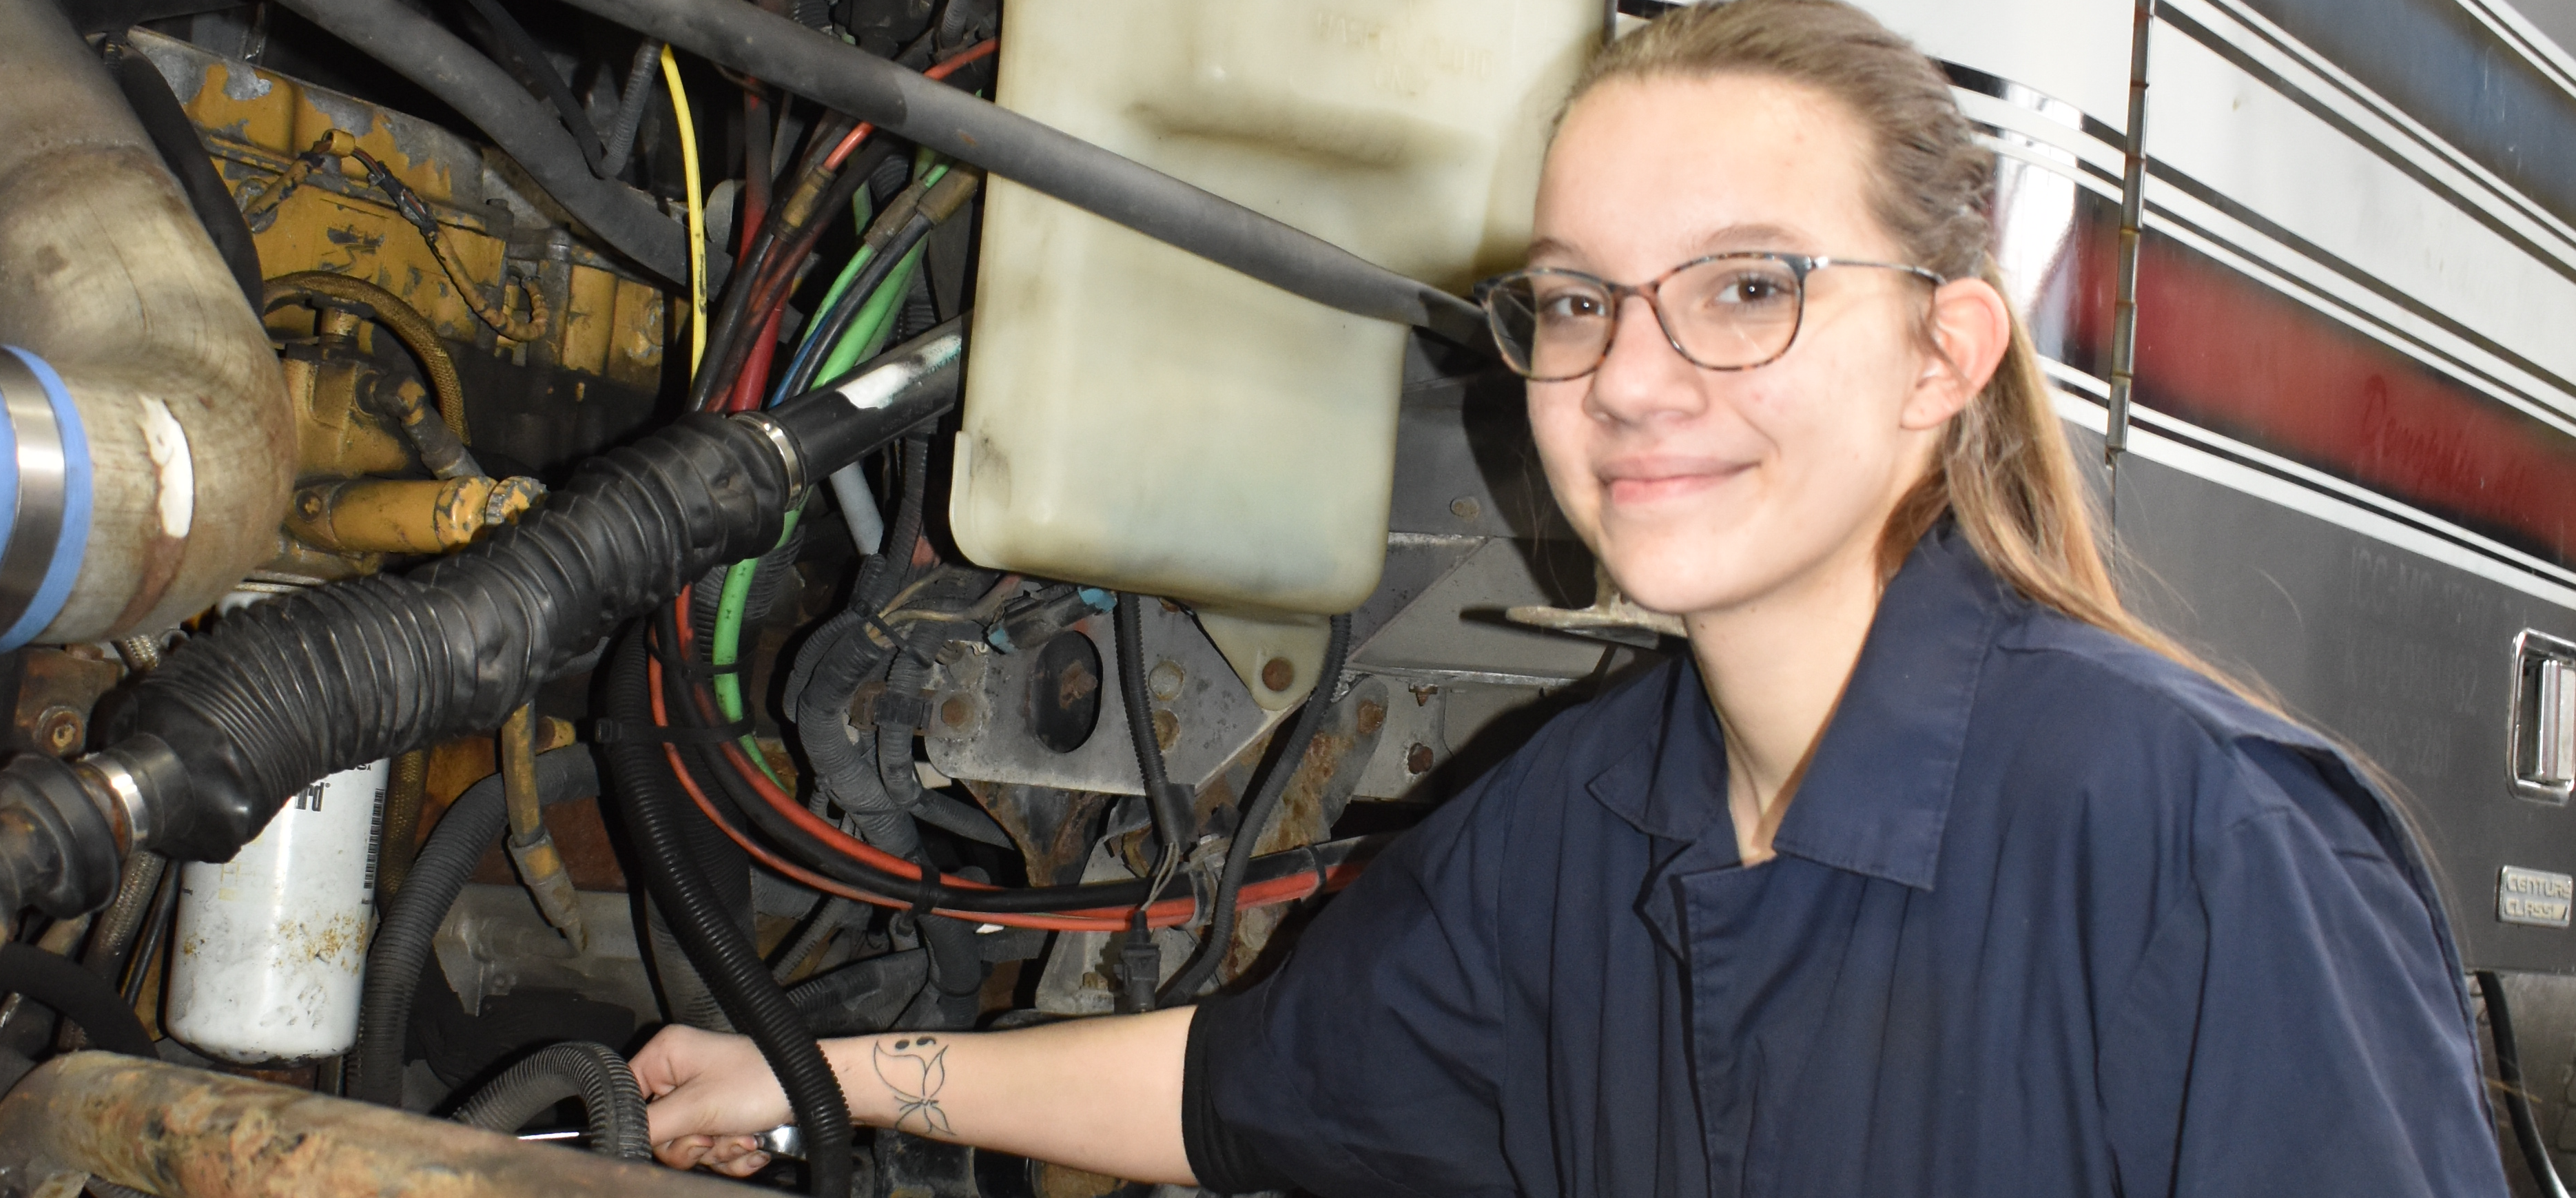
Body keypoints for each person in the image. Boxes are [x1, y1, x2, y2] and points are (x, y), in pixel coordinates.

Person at [630, 1, 2511, 1193]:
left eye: (1746, 287)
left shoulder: (2201, 845)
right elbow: (1254, 1088)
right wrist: (828, 1076)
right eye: (1577, 298)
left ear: (1945, 354)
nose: (1629, 376)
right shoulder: (1584, 813)